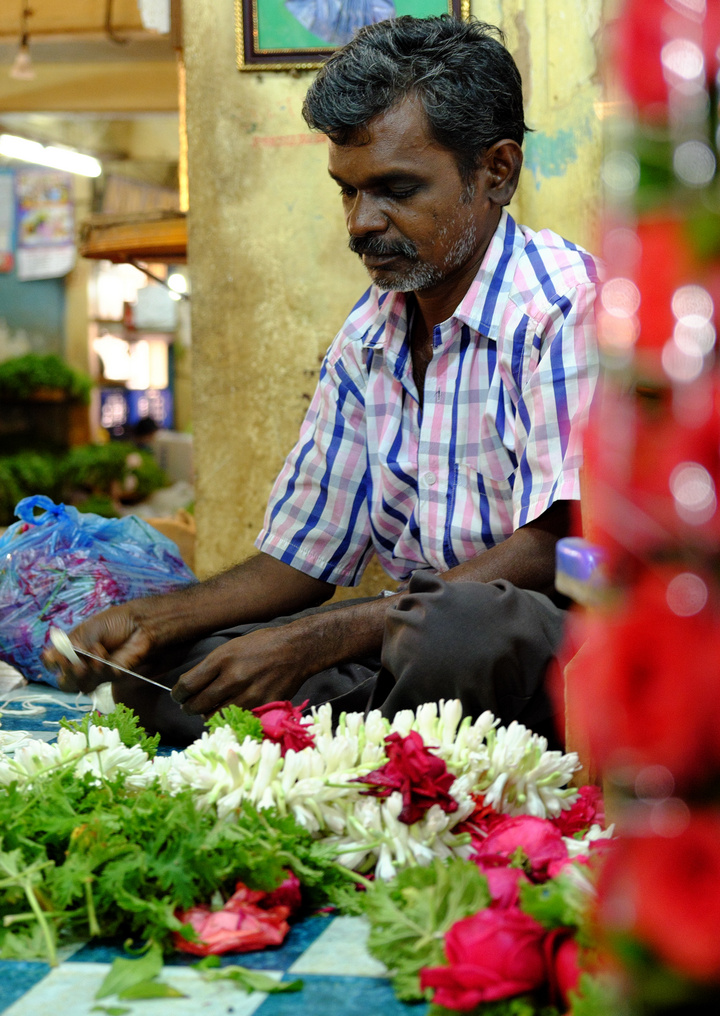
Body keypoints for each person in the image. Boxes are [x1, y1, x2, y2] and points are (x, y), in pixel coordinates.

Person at [45, 15, 599, 746]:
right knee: (179, 671)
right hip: (407, 646)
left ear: (496, 171)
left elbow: (560, 547)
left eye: (396, 188)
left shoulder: (567, 305)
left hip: (544, 644)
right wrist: (159, 617)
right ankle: (381, 740)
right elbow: (301, 559)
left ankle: (362, 738)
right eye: (348, 191)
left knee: (458, 634)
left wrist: (320, 640)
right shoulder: (369, 332)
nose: (361, 223)